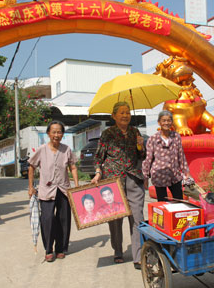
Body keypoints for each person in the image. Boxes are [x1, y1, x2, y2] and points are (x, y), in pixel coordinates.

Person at [91, 101, 146, 270]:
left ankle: (138, 255)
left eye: (128, 112)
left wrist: (140, 145)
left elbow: (141, 156)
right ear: (114, 116)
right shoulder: (108, 134)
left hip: (133, 178)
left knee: (137, 217)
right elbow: (98, 157)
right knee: (116, 219)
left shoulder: (135, 132)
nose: (125, 115)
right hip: (113, 180)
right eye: (121, 112)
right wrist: (98, 173)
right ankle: (118, 250)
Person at [28, 120, 79, 262]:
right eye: (54, 132)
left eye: (59, 132)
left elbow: (73, 167)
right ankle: (49, 249)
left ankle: (61, 248)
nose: (57, 135)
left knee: (64, 219)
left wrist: (76, 185)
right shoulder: (42, 149)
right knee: (47, 219)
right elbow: (31, 166)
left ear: (62, 134)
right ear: (49, 133)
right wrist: (31, 187)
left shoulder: (66, 149)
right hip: (46, 190)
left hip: (63, 190)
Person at [142, 110, 190, 202]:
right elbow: (148, 159)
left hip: (174, 175)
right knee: (163, 204)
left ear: (172, 122)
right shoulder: (153, 139)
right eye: (164, 120)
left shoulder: (176, 136)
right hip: (159, 175)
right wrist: (145, 177)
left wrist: (186, 171)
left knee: (179, 201)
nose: (166, 123)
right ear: (159, 122)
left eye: (169, 120)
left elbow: (181, 155)